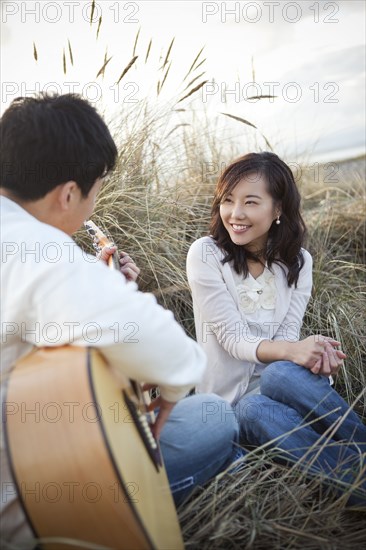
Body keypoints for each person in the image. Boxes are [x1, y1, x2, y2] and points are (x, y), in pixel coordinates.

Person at [0, 94, 241, 546]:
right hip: (39, 502)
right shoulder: (44, 255)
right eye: (95, 193)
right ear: (68, 193)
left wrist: (105, 281)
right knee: (215, 416)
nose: (92, 207)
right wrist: (172, 385)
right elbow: (177, 356)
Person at [186, 151, 366, 505]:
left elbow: (286, 339)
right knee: (253, 407)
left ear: (278, 209)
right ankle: (354, 483)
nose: (235, 214)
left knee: (280, 375)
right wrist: (295, 350)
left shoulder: (298, 262)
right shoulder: (205, 254)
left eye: (250, 202)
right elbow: (234, 340)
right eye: (228, 200)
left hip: (281, 386)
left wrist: (311, 357)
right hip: (230, 404)